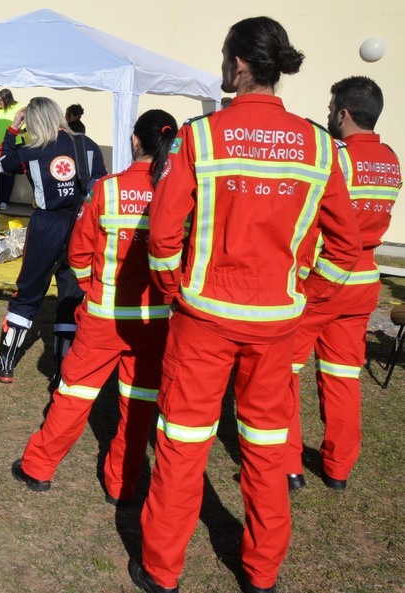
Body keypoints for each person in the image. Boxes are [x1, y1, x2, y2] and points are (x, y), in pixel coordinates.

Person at [131, 17, 361, 593]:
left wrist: (170, 287)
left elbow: (161, 236)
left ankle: (161, 569)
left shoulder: (199, 136)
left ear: (237, 65)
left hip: (203, 320)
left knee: (183, 445)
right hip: (277, 326)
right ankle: (261, 573)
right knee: (265, 450)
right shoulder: (320, 145)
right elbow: (347, 246)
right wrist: (310, 301)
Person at [11, 110, 177, 504]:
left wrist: (92, 289)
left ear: (134, 141)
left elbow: (80, 252)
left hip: (103, 318)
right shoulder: (179, 194)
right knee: (138, 408)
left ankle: (38, 467)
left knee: (73, 395)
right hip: (152, 322)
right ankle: (122, 484)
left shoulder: (108, 188)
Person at [285, 76, 401, 492]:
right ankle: (338, 467)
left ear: (343, 113)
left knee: (286, 370)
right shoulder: (390, 159)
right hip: (364, 280)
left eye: (331, 107)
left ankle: (288, 464)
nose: (328, 113)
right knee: (342, 375)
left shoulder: (337, 158)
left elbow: (313, 220)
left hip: (322, 277)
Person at [0, 97, 107, 385]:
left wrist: (12, 131)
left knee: (28, 292)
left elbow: (3, 164)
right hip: (80, 226)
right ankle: (62, 373)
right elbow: (101, 183)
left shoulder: (31, 151)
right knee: (70, 296)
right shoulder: (87, 144)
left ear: (32, 122)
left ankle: (5, 365)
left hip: (46, 226)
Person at [0, 89, 24, 210]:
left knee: (9, 173)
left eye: (1, 100)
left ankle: (5, 200)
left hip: (12, 144)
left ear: (7, 98)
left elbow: (23, 125)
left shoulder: (18, 107)